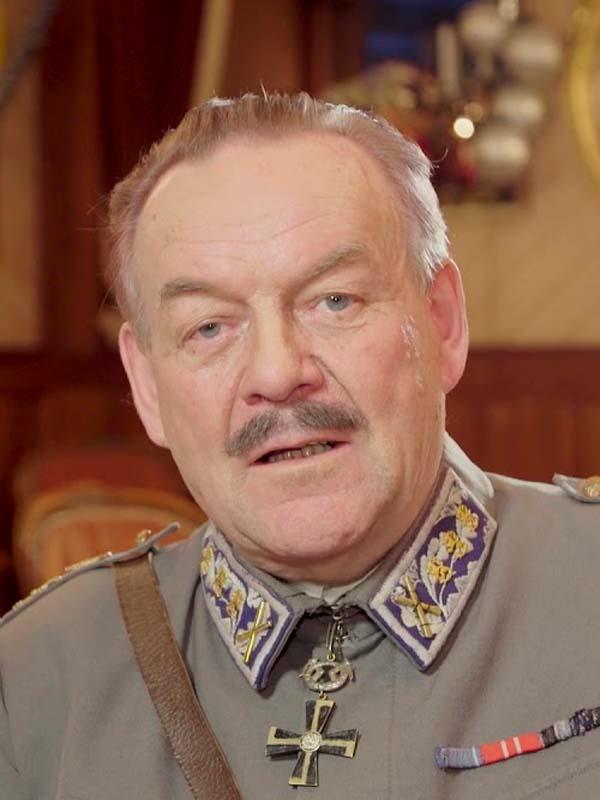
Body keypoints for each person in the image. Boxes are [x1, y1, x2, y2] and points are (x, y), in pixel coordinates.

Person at [1, 93, 599, 800]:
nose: (278, 372)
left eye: (334, 300)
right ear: (147, 385)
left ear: (441, 324)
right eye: (209, 328)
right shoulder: (37, 678)